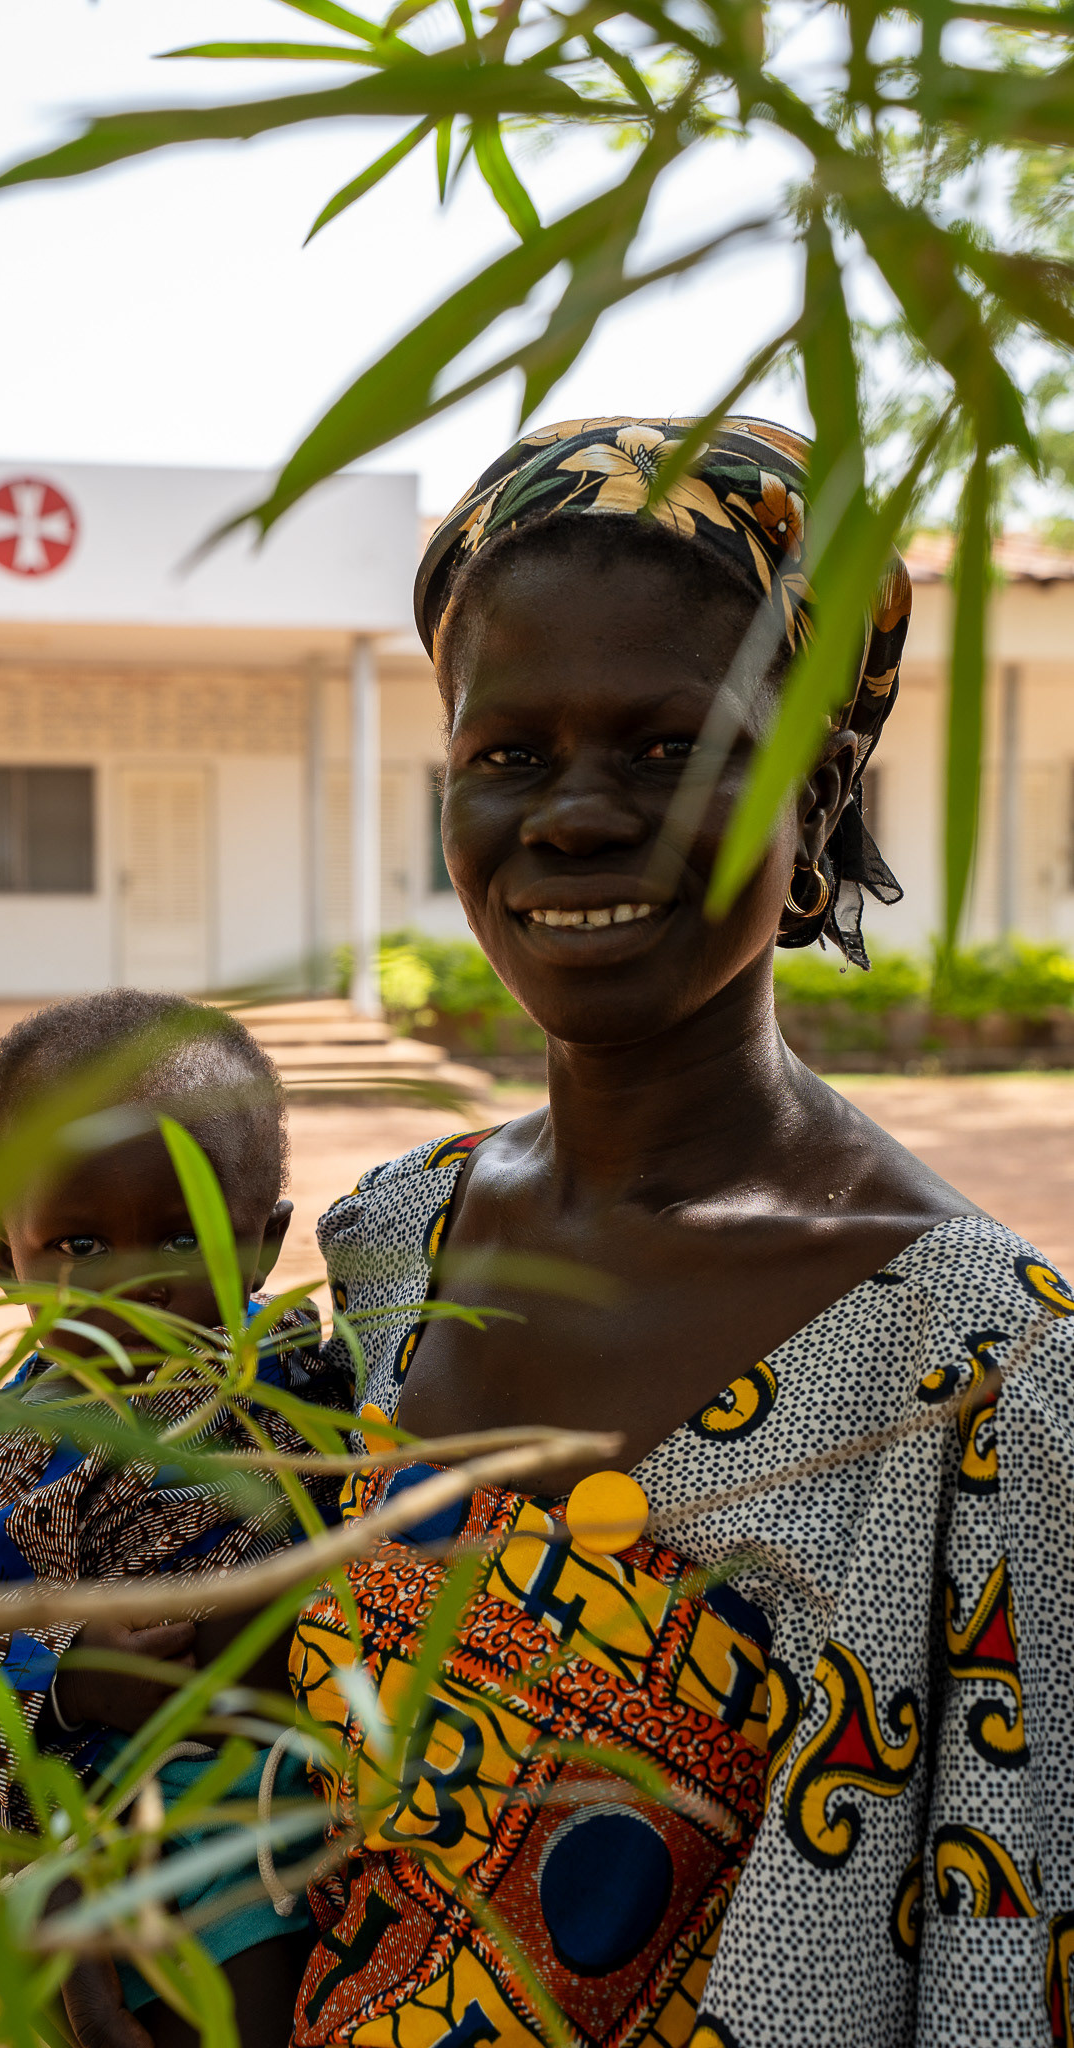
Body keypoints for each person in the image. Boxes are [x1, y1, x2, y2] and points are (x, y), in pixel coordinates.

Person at [288, 418, 1074, 2047]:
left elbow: (1011, 1958)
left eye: (667, 748)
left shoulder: (990, 1372)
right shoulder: (390, 1243)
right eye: (506, 752)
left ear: (819, 797)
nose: (571, 815)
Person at [0, 990, 344, 2048]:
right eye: (80, 1246)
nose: (133, 1286)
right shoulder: (13, 1448)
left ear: (267, 1242)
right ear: (7, 1255)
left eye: (183, 1236)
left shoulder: (303, 1372)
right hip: (129, 1807)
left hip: (309, 1778)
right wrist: (70, 1669)